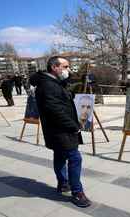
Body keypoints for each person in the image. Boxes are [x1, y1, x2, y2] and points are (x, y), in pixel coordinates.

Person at [30, 56, 91, 208]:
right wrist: (74, 126)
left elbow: (61, 101)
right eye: (65, 67)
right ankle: (77, 192)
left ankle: (63, 183)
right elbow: (55, 110)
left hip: (57, 131)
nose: (68, 70)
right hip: (61, 131)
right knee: (75, 158)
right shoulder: (48, 85)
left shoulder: (52, 82)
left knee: (59, 155)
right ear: (54, 67)